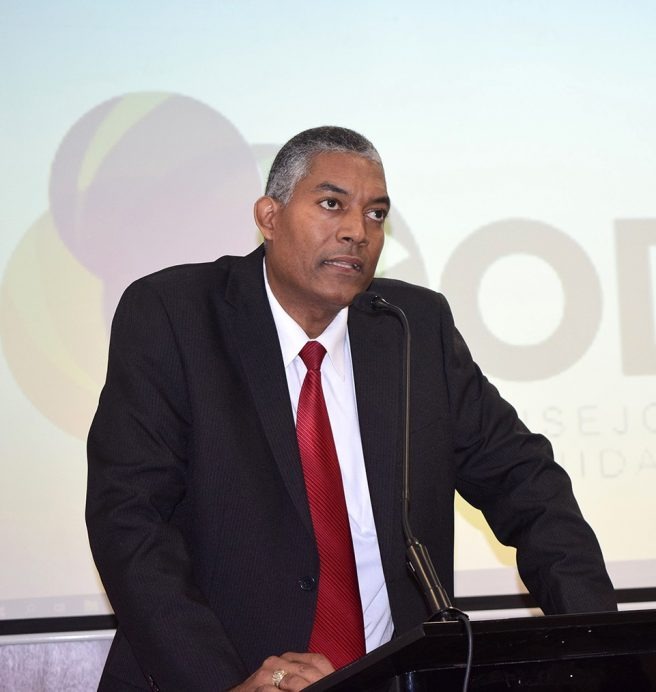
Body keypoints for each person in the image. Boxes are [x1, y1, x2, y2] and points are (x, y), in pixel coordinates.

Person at [86, 126, 616, 691]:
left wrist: (603, 651)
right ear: (269, 217)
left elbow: (527, 485)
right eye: (331, 204)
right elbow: (130, 519)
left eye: (375, 214)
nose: (357, 231)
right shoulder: (176, 315)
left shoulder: (411, 328)